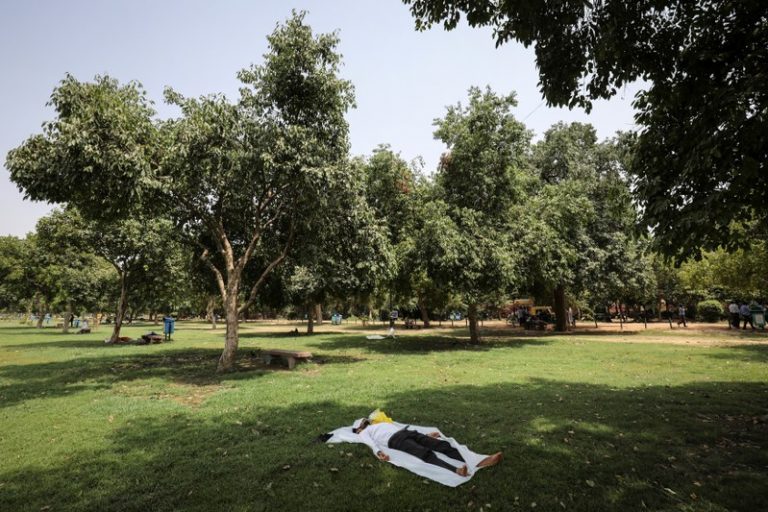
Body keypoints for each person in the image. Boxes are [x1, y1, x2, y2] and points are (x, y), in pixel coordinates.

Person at [353, 417, 502, 477]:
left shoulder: (380, 424)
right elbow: (371, 443)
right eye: (363, 425)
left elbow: (401, 427)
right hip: (396, 441)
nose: (364, 426)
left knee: (441, 445)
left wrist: (427, 434)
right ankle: (456, 470)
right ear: (360, 428)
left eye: (364, 424)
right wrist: (379, 452)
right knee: (425, 453)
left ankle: (479, 460)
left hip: (405, 433)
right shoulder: (364, 434)